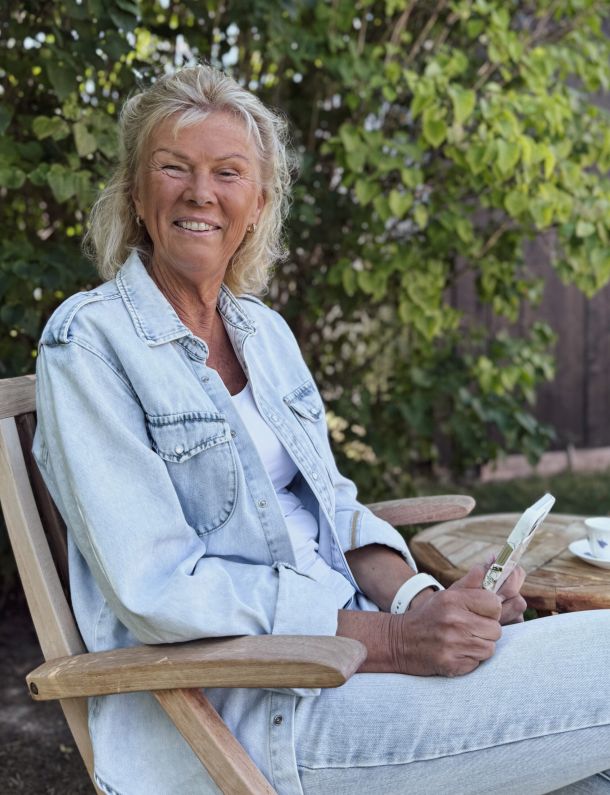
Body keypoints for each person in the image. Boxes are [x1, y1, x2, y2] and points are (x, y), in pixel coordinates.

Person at [33, 64, 610, 795]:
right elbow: (160, 589)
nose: (200, 192)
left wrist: (421, 604)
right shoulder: (89, 344)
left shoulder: (262, 332)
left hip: (360, 659)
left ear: (259, 202)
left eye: (228, 172)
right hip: (258, 708)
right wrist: (398, 642)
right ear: (137, 194)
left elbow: (331, 506)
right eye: (173, 167)